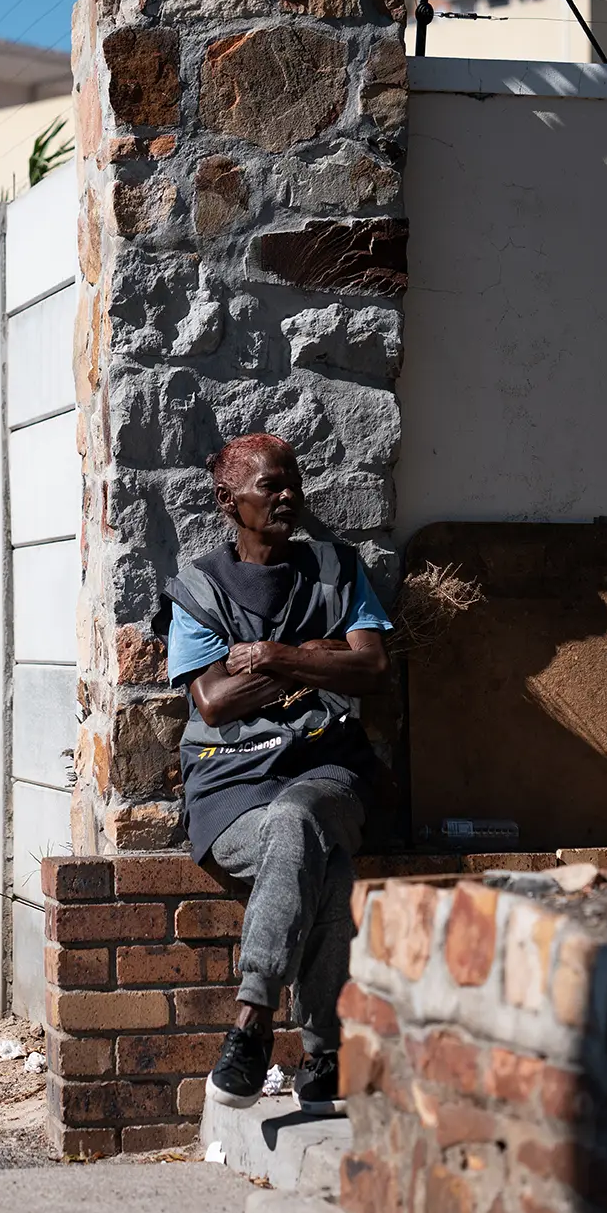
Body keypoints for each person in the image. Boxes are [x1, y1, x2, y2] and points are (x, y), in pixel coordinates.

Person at [164, 432, 392, 1115]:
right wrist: (316, 655)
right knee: (321, 857)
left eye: (294, 481)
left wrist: (269, 656)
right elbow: (212, 700)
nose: (290, 494)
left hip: (329, 771)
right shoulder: (200, 587)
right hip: (230, 786)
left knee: (301, 816)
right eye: (272, 484)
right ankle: (325, 1054)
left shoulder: (337, 568)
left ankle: (253, 1021)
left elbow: (372, 667)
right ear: (228, 499)